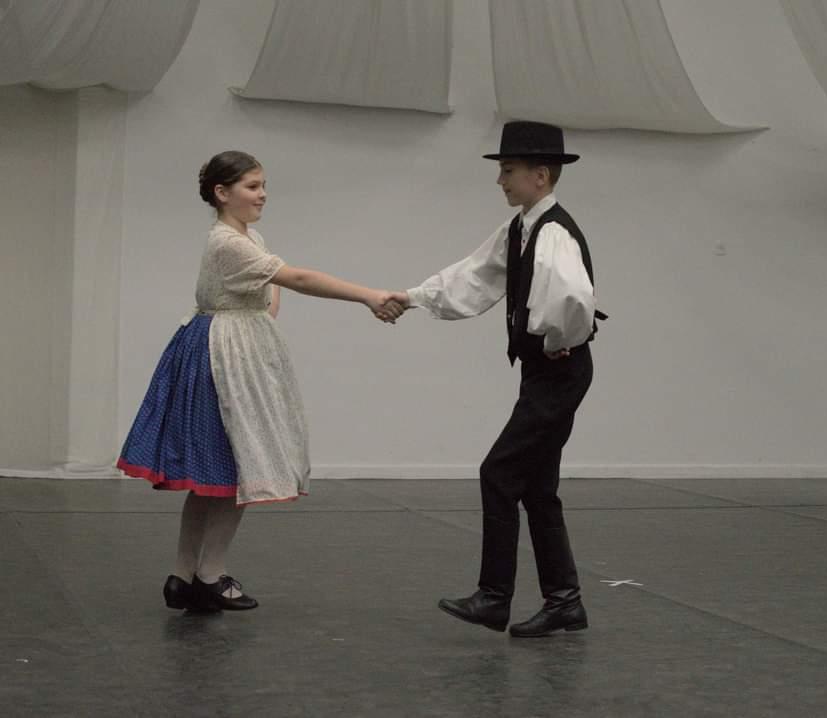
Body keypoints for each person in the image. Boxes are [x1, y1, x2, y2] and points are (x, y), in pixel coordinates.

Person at [117, 150, 403, 612]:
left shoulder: (247, 239)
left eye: (263, 185)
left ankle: (183, 575)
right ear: (221, 192)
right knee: (238, 468)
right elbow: (298, 278)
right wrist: (369, 295)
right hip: (222, 359)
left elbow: (270, 292)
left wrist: (262, 313)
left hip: (225, 350)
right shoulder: (229, 243)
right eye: (252, 186)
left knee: (212, 475)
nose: (263, 194)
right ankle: (210, 575)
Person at [390, 120, 605, 637]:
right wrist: (413, 297)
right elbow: (474, 274)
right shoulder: (520, 229)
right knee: (537, 487)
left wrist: (555, 342)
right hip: (547, 373)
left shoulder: (553, 232)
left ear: (540, 175)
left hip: (559, 373)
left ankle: (494, 597)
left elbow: (575, 299)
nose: (500, 180)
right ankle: (564, 601)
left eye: (508, 171)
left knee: (498, 473)